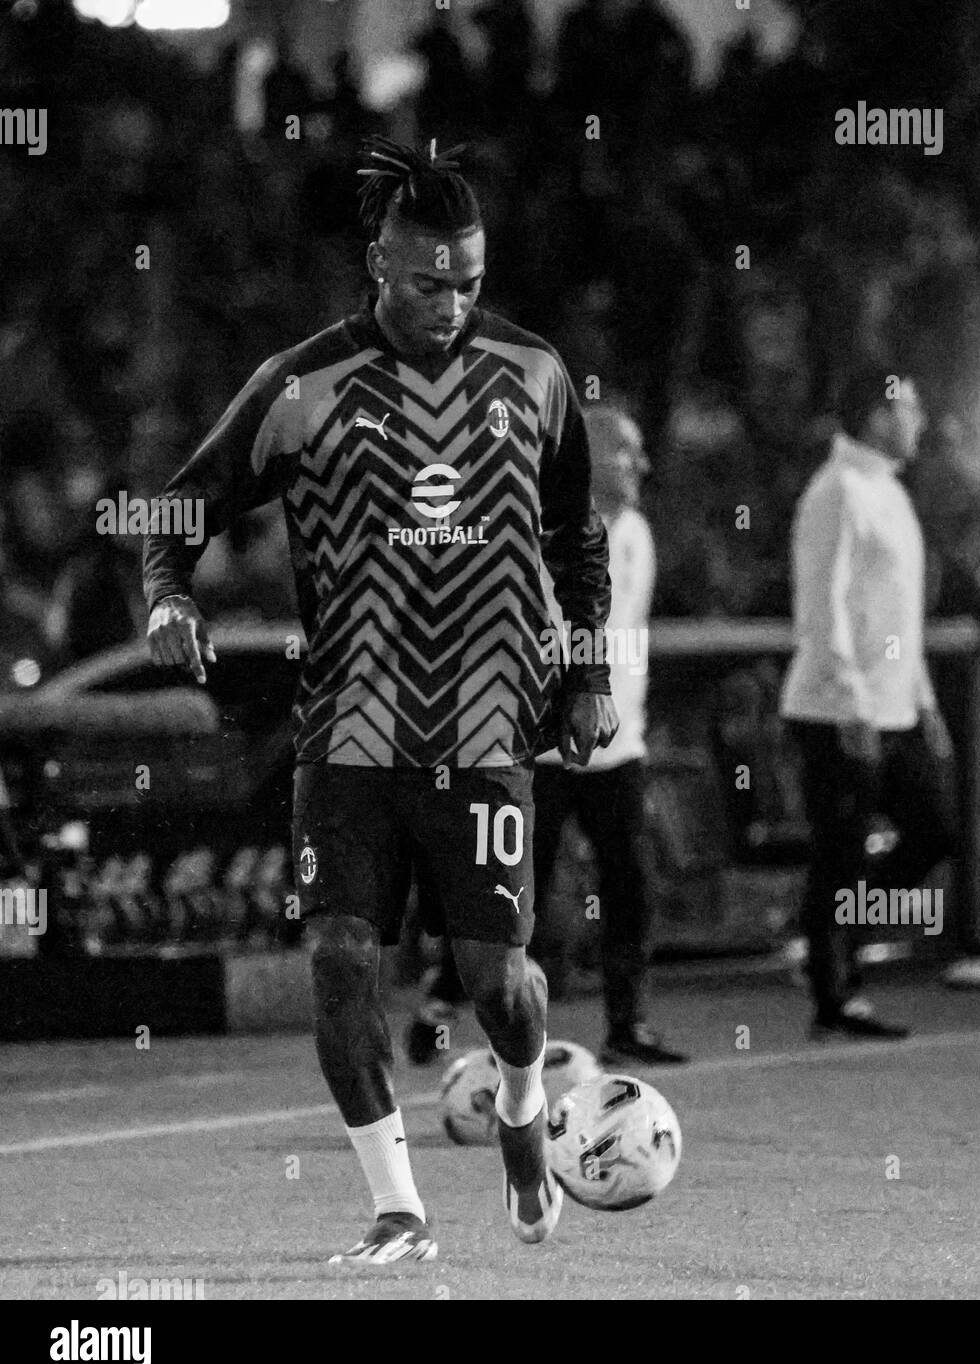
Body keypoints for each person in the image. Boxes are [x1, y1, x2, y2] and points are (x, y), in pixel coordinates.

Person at [143, 138, 617, 1267]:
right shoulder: (301, 384)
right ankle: (398, 1204)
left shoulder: (537, 375)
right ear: (376, 264)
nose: (450, 305)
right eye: (426, 282)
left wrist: (592, 672)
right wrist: (167, 595)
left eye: (468, 282)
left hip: (492, 723)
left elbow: (576, 537)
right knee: (344, 957)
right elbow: (179, 506)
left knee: (501, 984)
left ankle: (515, 1106)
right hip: (349, 726)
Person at [406, 405, 687, 1069]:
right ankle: (445, 995)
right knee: (509, 893)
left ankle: (626, 1024)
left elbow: (624, 647)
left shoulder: (636, 532)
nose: (641, 464)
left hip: (615, 747)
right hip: (537, 745)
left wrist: (629, 718)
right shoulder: (531, 531)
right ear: (588, 457)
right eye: (628, 451)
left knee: (632, 884)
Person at [780, 368, 962, 1040]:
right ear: (879, 413)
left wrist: (924, 701)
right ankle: (835, 993)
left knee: (935, 829)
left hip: (897, 709)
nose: (919, 419)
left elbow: (898, 617)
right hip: (836, 711)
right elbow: (819, 607)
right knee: (840, 853)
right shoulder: (835, 492)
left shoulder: (890, 491)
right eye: (910, 406)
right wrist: (851, 700)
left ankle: (827, 944)